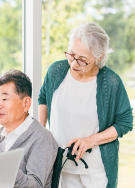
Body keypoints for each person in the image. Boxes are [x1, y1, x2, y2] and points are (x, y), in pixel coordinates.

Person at [38, 22, 133, 188]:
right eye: (71, 55)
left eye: (82, 60)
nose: (74, 64)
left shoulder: (111, 83)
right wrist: (40, 134)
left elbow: (125, 122)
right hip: (62, 168)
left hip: (97, 172)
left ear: (99, 57)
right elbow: (44, 97)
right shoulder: (56, 71)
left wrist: (90, 141)